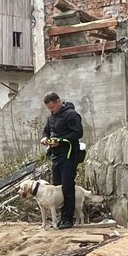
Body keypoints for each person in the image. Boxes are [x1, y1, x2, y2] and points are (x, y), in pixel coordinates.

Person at [40, 92, 83, 229]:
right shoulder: (50, 117)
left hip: (69, 155)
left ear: (58, 101)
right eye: (49, 108)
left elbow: (78, 133)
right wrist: (46, 138)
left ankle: (68, 218)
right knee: (57, 186)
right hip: (56, 156)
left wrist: (61, 140)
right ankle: (60, 217)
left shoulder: (71, 114)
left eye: (52, 107)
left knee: (67, 186)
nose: (51, 110)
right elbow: (46, 131)